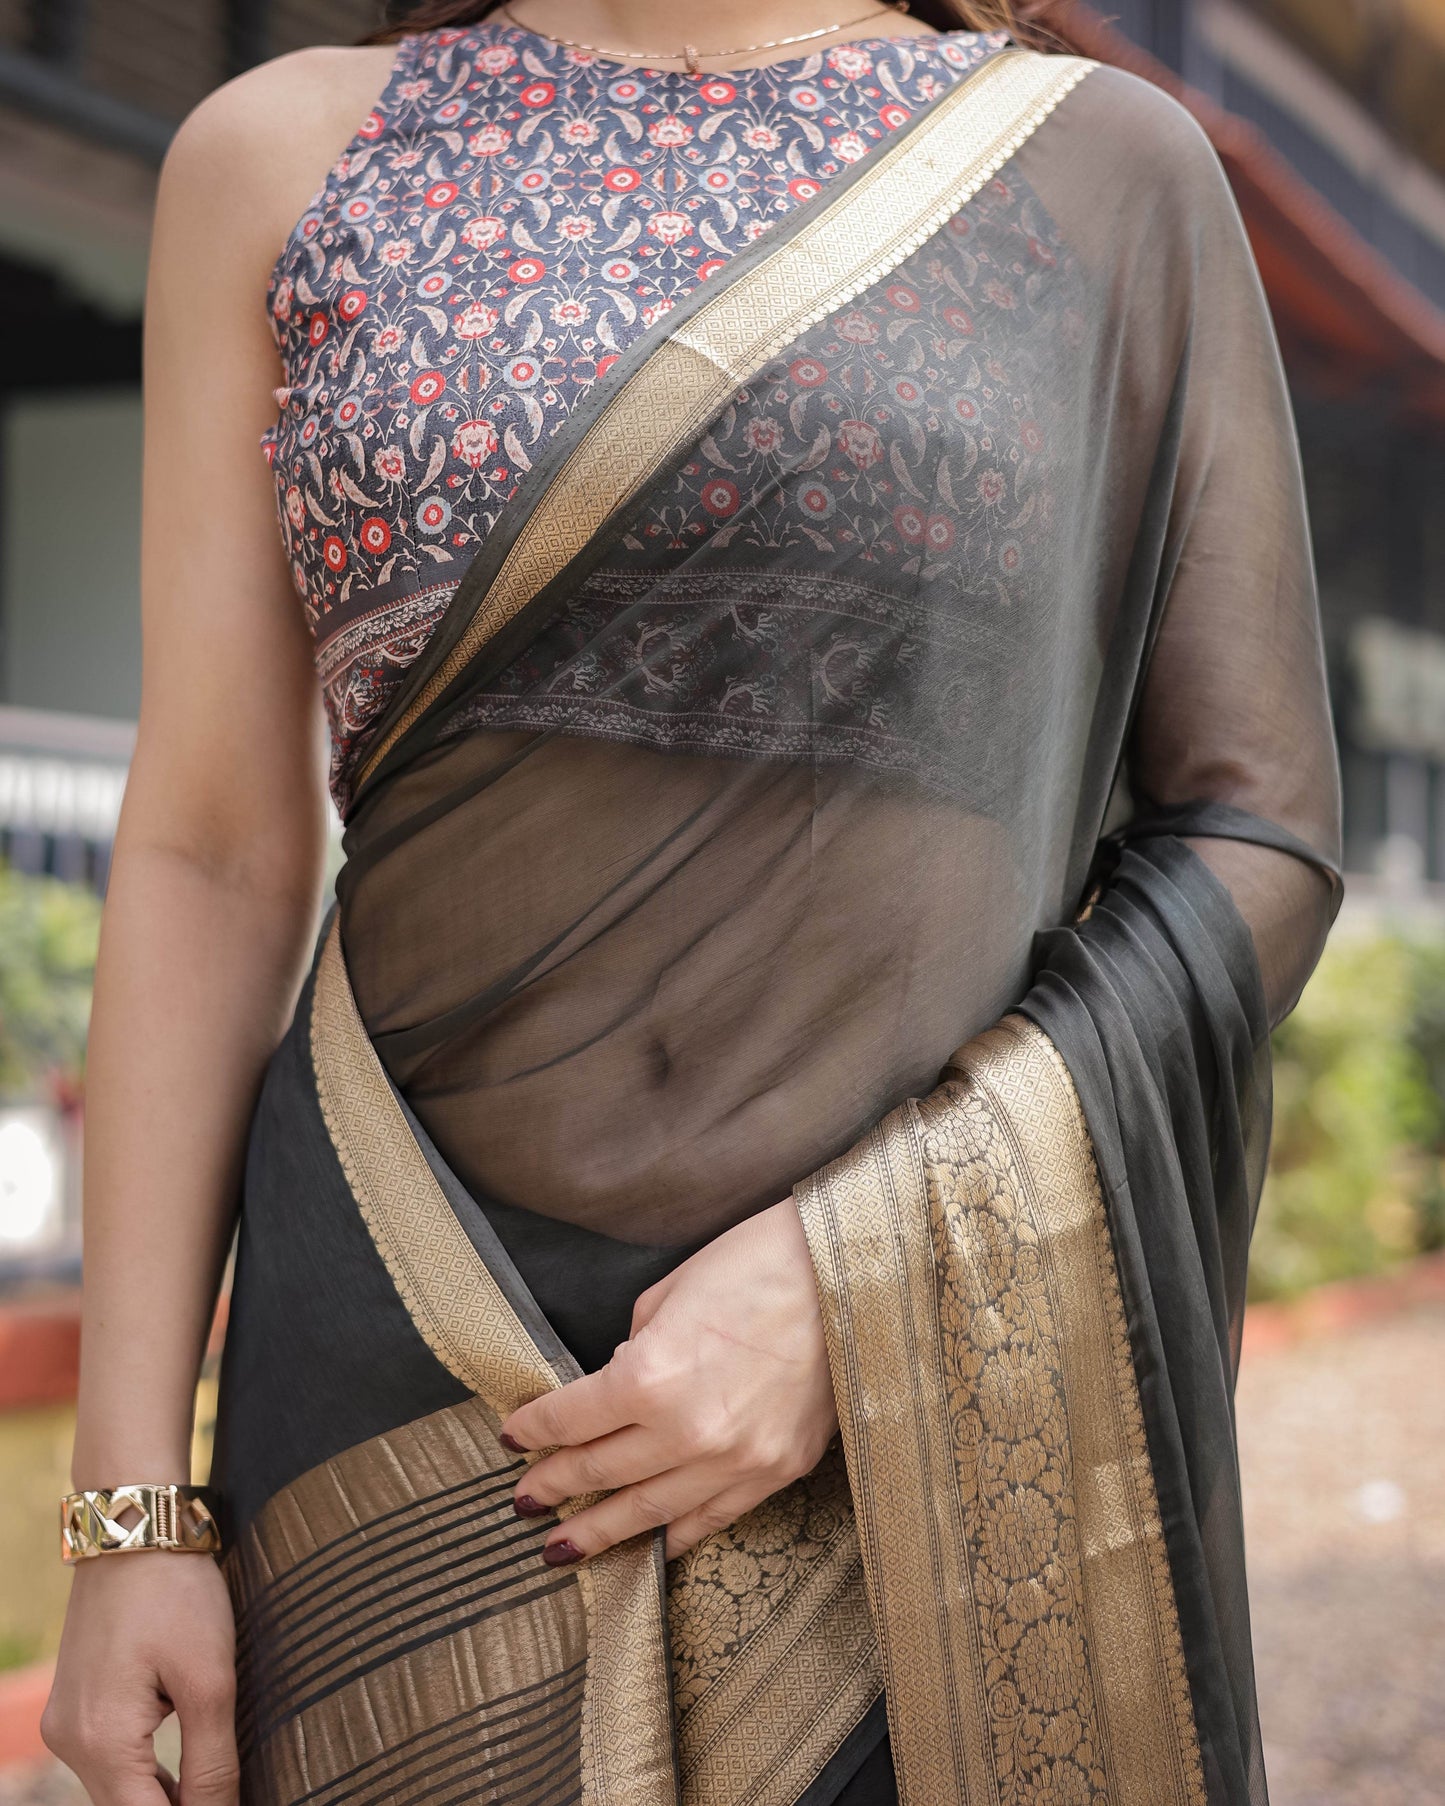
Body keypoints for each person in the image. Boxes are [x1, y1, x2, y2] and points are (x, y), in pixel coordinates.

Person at [42, 2, 1341, 1803]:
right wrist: (129, 1514)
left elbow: (1250, 832)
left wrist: (858, 1283)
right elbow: (210, 850)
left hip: (901, 1399)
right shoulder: (282, 154)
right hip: (402, 1364)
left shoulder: (1096, 168)